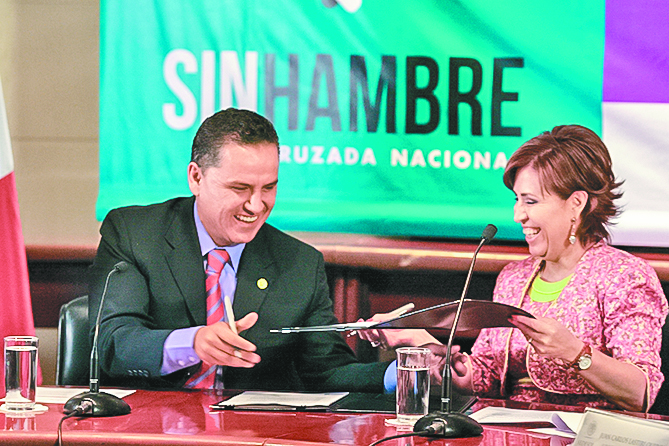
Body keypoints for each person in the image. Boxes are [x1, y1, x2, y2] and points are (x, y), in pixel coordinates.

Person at [360, 125, 668, 412]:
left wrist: (575, 352)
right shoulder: (513, 277)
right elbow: (484, 377)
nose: (518, 214)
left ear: (576, 203)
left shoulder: (625, 276)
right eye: (517, 199)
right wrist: (416, 338)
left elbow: (641, 392)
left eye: (530, 201)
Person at [89, 108, 394, 392]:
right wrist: (192, 343)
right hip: (149, 422)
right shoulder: (134, 234)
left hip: (247, 426)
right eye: (240, 188)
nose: (256, 206)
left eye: (269, 188)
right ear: (196, 177)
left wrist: (404, 371)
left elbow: (327, 371)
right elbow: (114, 342)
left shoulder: (299, 264)